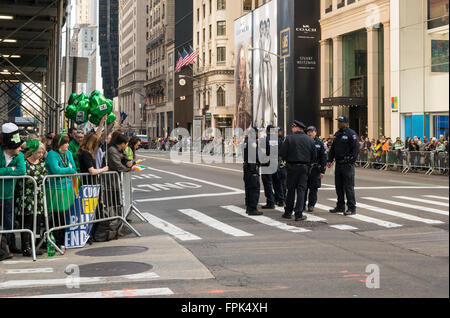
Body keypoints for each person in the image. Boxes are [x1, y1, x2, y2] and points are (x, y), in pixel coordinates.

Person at [14, 140, 47, 257]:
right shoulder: (25, 162)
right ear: (32, 152)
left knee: (37, 221)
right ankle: (26, 247)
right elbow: (25, 178)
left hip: (38, 197)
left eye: (42, 152)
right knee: (26, 222)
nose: (40, 155)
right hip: (26, 197)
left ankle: (34, 246)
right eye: (38, 152)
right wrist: (35, 179)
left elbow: (44, 177)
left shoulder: (42, 163)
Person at [280, 120, 317, 222]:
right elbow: (314, 156)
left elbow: (282, 153)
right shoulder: (309, 140)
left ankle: (288, 212)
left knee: (291, 190)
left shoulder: (289, 138)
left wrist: (287, 161)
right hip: (304, 168)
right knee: (301, 190)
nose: (292, 129)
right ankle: (298, 214)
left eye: (293, 127)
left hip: (291, 167)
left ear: (297, 128)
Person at [45, 133, 77, 248]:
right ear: (59, 144)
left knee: (66, 215)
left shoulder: (68, 153)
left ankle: (64, 239)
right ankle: (56, 240)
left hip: (67, 188)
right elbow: (55, 171)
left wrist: (66, 169)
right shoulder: (52, 154)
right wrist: (68, 169)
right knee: (57, 215)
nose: (68, 145)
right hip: (55, 189)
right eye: (65, 143)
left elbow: (74, 170)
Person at [0, 123, 26, 260]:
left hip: (8, 194)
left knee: (8, 222)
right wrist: (11, 170)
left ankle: (11, 245)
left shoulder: (19, 156)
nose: (20, 148)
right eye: (18, 146)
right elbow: (16, 170)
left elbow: (22, 171)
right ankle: (3, 249)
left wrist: (4, 172)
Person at [327, 116, 360, 216]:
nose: (338, 123)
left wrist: (351, 161)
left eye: (340, 122)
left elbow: (356, 149)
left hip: (347, 164)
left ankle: (351, 207)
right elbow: (333, 148)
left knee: (348, 187)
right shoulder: (337, 134)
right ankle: (340, 206)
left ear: (346, 123)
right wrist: (330, 159)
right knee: (339, 186)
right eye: (338, 122)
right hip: (338, 164)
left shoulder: (351, 134)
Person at [303, 126, 327, 213]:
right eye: (308, 132)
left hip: (315, 169)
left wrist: (322, 171)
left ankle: (311, 205)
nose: (309, 133)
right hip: (305, 168)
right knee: (303, 188)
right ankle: (302, 205)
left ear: (315, 132)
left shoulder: (320, 143)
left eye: (311, 132)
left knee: (313, 189)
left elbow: (323, 158)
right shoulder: (304, 142)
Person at [243, 127, 262, 216]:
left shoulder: (246, 141)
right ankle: (253, 208)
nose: (258, 135)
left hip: (247, 167)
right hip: (252, 168)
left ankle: (248, 207)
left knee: (248, 188)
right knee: (254, 188)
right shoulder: (252, 142)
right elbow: (257, 156)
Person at [260, 126, 278, 210]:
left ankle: (270, 202)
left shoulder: (264, 139)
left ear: (267, 131)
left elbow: (261, 152)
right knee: (276, 183)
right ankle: (278, 199)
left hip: (266, 163)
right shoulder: (276, 140)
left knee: (267, 183)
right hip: (275, 162)